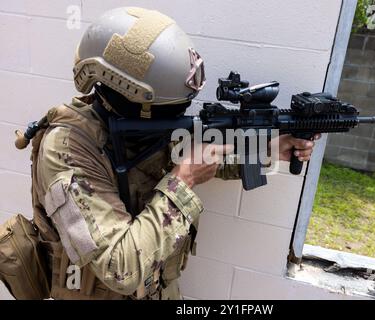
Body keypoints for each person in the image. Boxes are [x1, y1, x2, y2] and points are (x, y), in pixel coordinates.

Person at [24, 7, 319, 300]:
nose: (178, 117)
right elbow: (119, 268)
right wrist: (183, 179)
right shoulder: (66, 150)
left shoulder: (143, 126)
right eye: (170, 110)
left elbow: (205, 152)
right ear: (132, 98)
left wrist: (269, 148)